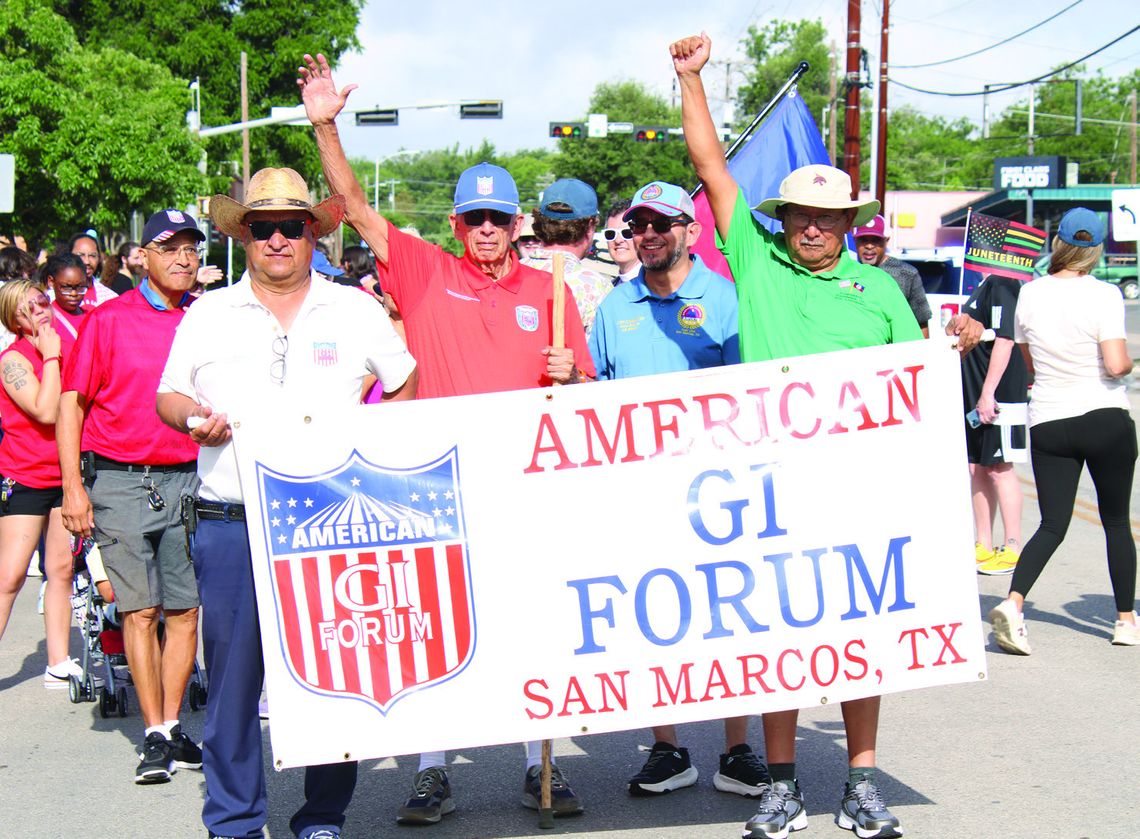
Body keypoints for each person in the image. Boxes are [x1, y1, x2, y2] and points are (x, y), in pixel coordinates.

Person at [672, 31, 981, 839]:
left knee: (858, 641)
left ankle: (860, 781)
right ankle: (781, 785)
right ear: (786, 219)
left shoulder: (880, 286)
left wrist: (956, 344)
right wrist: (691, 80)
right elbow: (711, 167)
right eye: (800, 215)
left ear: (848, 221)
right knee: (778, 638)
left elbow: (912, 383)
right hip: (769, 487)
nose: (811, 228)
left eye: (826, 217)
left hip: (856, 492)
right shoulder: (758, 257)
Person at [299, 50, 593, 824]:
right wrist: (328, 126)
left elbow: (589, 401)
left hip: (526, 487)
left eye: (500, 217)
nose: (488, 230)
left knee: (533, 624)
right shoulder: (427, 271)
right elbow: (355, 204)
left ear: (518, 223)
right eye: (475, 218)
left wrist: (574, 375)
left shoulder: (552, 288)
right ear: (456, 223)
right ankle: (432, 768)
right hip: (438, 484)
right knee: (431, 625)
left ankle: (541, 763)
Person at [157, 166, 417, 839]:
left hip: (328, 526)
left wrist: (371, 441)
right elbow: (169, 396)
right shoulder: (209, 312)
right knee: (234, 689)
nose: (276, 238)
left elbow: (405, 379)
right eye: (262, 226)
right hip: (231, 523)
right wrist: (192, 419)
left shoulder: (353, 307)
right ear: (243, 236)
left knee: (334, 677)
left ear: (313, 234)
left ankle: (322, 815)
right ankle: (235, 820)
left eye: (290, 226)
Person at [591, 182, 767, 798]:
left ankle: (739, 747)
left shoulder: (726, 299)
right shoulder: (615, 307)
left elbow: (754, 392)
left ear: (691, 230)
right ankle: (667, 747)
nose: (651, 234)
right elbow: (595, 396)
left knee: (730, 613)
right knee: (651, 615)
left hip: (718, 491)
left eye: (664, 223)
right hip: (640, 493)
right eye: (640, 224)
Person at [57, 209, 204, 785]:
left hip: (190, 479)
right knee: (139, 611)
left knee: (186, 610)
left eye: (191, 247)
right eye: (169, 247)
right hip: (119, 479)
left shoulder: (205, 318)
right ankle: (154, 732)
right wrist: (73, 487)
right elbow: (73, 403)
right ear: (143, 256)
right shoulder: (108, 320)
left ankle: (169, 726)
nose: (183, 258)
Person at [989, 207, 1139, 654]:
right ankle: (1125, 620)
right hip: (1103, 413)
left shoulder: (1029, 295)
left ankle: (1014, 605)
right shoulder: (1106, 294)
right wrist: (1128, 366)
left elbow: (1030, 362)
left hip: (1051, 418)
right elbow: (1114, 364)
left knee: (1053, 523)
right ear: (1094, 249)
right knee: (1115, 521)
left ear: (1058, 243)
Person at [0, 280, 79, 688]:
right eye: (29, 307)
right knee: (10, 576)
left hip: (65, 474)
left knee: (61, 570)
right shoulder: (13, 358)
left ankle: (58, 661)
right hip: (26, 476)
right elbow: (46, 410)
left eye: (42, 302)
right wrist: (50, 357)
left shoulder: (66, 342)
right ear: (13, 318)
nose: (41, 310)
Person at [960, 273, 1029, 575]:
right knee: (976, 466)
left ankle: (1013, 546)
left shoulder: (1005, 283)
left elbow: (1005, 339)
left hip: (998, 390)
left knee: (1000, 468)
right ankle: (983, 543)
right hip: (975, 388)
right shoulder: (984, 283)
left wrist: (988, 393)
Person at [521, 178, 614, 336]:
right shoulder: (596, 288)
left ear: (540, 222)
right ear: (590, 226)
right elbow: (599, 356)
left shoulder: (511, 274)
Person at [852, 215, 932, 337]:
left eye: (875, 240)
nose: (869, 246)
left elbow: (921, 322)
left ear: (886, 240)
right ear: (855, 240)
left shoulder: (907, 274)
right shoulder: (848, 273)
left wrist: (922, 353)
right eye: (863, 240)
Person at [41, 253, 89, 357]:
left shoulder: (91, 316)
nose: (74, 294)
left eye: (80, 287)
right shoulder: (44, 320)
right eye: (66, 287)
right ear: (51, 282)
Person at [67, 231, 118, 308]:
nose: (87, 261)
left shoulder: (111, 298)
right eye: (81, 255)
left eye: (92, 256)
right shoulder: (53, 297)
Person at [603, 197, 642, 285]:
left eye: (627, 233)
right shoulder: (609, 289)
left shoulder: (656, 287)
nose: (618, 240)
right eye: (610, 234)